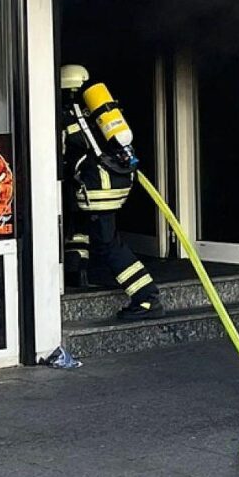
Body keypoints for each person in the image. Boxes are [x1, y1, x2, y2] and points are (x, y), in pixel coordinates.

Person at [61, 64, 164, 321]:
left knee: (108, 244)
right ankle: (76, 270)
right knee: (81, 228)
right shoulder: (94, 112)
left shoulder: (65, 116)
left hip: (97, 187)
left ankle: (147, 298)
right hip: (109, 182)